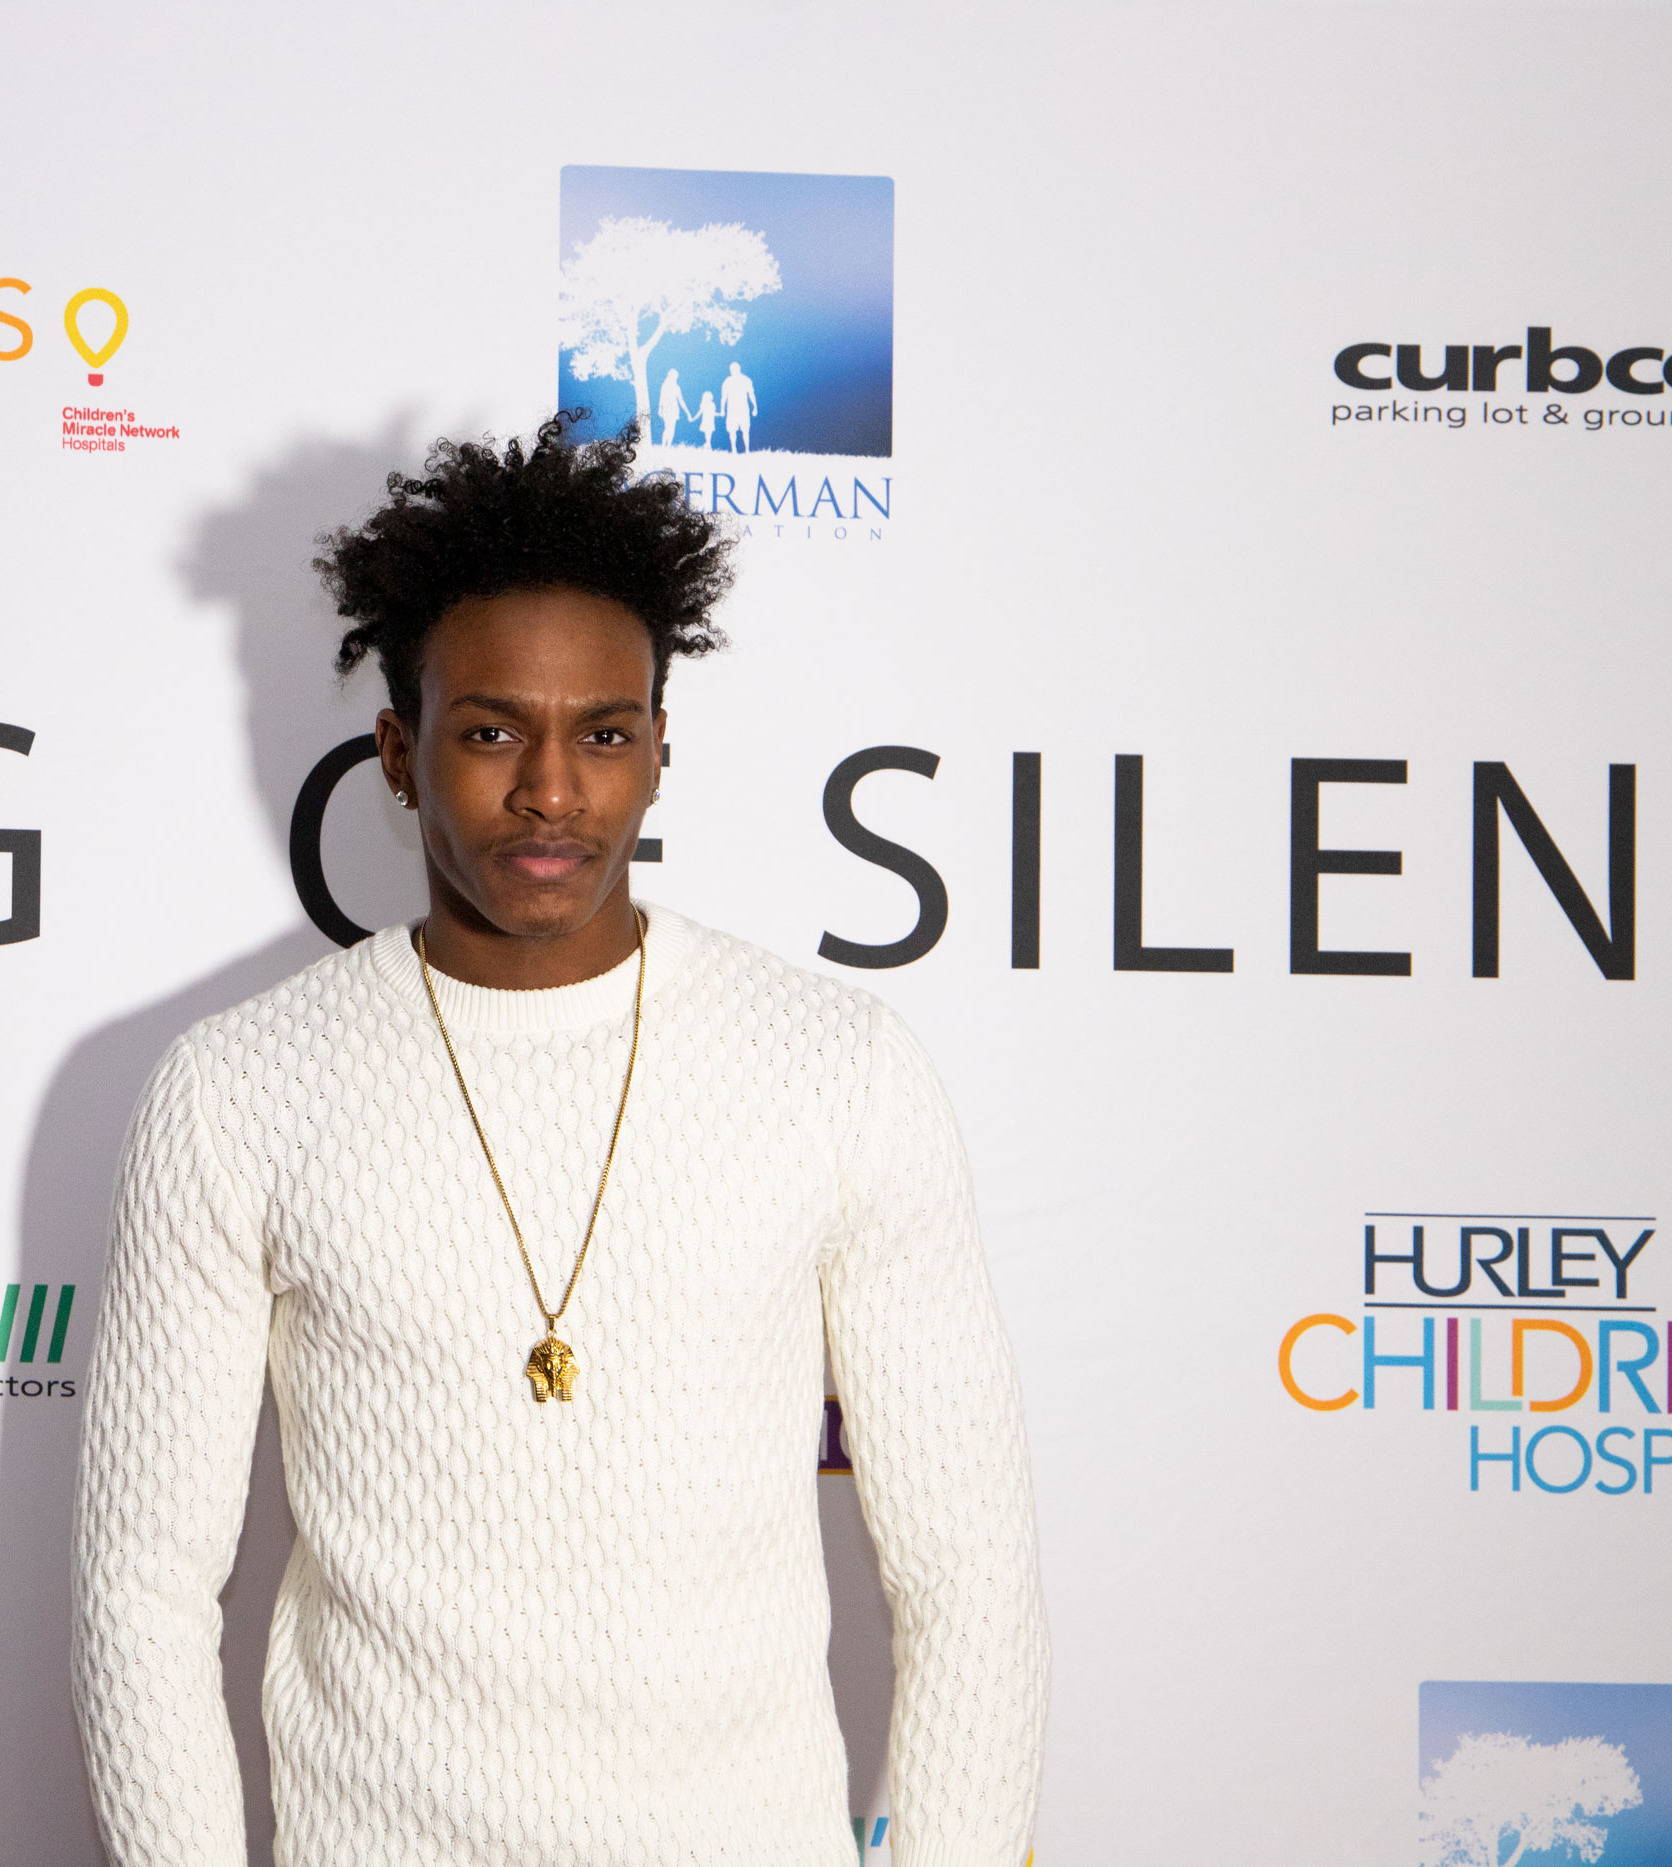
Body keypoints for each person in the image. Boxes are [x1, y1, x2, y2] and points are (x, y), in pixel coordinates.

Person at [72, 417, 1048, 1867]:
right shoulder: (236, 1091)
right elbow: (140, 1591)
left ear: (656, 754)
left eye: (602, 733)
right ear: (399, 755)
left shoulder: (839, 1068)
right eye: (489, 731)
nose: (550, 787)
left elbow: (970, 1577)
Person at [724, 360, 757, 452]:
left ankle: (747, 449)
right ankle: (734, 449)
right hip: (732, 409)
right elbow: (724, 397)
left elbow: (751, 394)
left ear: (738, 369)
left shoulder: (746, 380)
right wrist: (722, 409)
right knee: (732, 430)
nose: (732, 371)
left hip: (743, 409)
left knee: (745, 430)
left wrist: (755, 407)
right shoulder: (728, 381)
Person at [652, 366, 686, 446]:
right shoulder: (665, 385)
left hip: (673, 408)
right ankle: (664, 444)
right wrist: (660, 409)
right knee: (668, 427)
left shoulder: (676, 387)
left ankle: (668, 445)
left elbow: (681, 400)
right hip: (667, 407)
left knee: (671, 427)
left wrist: (687, 412)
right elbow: (661, 397)